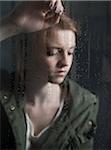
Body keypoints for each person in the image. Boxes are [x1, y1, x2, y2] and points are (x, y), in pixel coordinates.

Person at [0, 1, 98, 150]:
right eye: (52, 52)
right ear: (28, 52)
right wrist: (13, 23)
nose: (65, 62)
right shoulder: (3, 89)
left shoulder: (83, 106)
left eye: (70, 52)